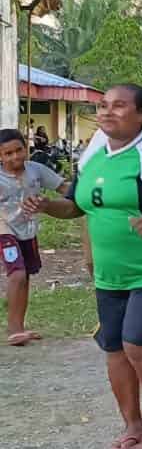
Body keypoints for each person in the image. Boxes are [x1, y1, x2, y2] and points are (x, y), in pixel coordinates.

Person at [25, 85, 142, 449]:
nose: (107, 112)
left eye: (119, 106)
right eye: (103, 106)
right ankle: (132, 425)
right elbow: (75, 205)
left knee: (137, 342)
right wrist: (46, 206)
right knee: (114, 348)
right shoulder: (93, 153)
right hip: (110, 272)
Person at [1, 128, 69, 345]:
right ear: (0, 156)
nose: (15, 157)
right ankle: (13, 329)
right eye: (8, 154)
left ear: (26, 148)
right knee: (17, 273)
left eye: (18, 150)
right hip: (4, 231)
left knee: (26, 276)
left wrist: (87, 195)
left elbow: (63, 187)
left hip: (27, 230)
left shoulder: (36, 170)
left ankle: (19, 326)